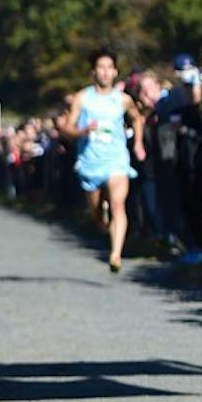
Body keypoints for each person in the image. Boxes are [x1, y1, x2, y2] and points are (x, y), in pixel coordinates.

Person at [60, 48, 146, 272]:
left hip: (116, 159)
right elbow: (67, 128)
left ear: (116, 72)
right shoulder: (83, 98)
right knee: (97, 214)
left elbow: (138, 119)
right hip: (90, 161)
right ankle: (103, 223)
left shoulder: (123, 99)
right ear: (93, 72)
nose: (106, 72)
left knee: (118, 204)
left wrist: (137, 143)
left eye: (110, 68)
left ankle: (116, 254)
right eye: (101, 68)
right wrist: (82, 132)